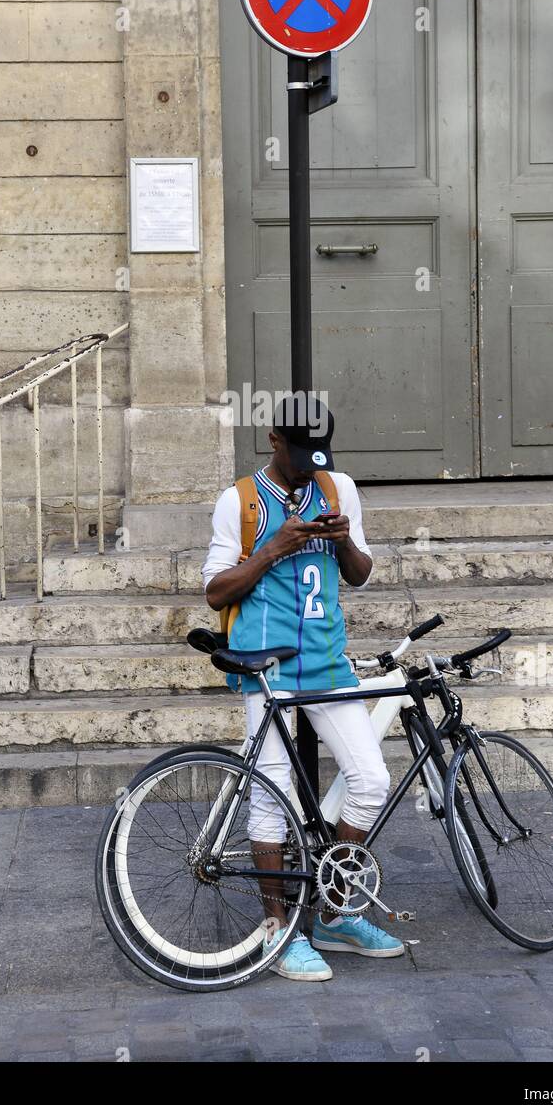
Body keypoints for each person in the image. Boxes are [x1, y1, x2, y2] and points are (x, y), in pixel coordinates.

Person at [202, 393, 404, 981]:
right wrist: (273, 549)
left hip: (328, 664)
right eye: (298, 456)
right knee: (272, 796)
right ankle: (278, 928)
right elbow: (216, 591)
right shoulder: (238, 501)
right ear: (273, 442)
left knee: (371, 779)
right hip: (266, 669)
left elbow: (361, 574)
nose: (308, 468)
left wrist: (341, 540)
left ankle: (334, 913)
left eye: (317, 456)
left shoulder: (337, 487)